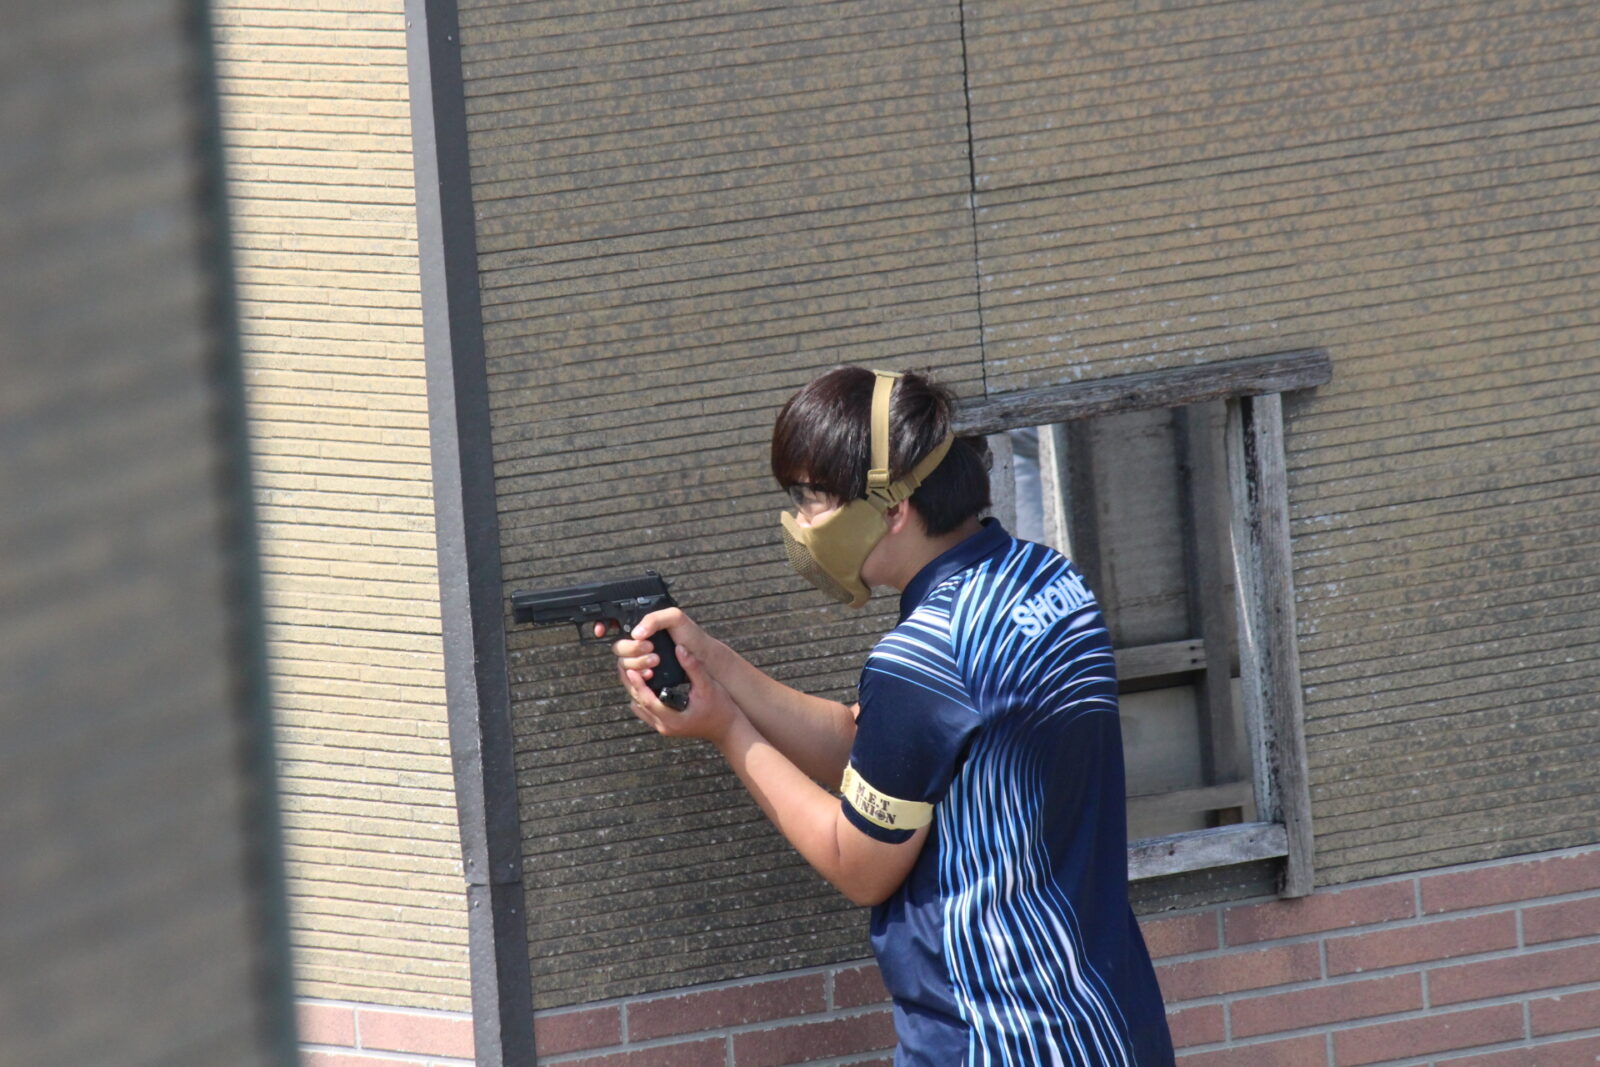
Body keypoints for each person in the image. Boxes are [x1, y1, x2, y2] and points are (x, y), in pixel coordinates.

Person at [608, 367, 1176, 1065]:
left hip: (994, 1035)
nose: (800, 523)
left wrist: (727, 731)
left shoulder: (923, 658)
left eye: (812, 498)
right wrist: (715, 663)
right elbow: (886, 752)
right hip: (1111, 1021)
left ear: (893, 507)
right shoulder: (1049, 581)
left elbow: (859, 866)